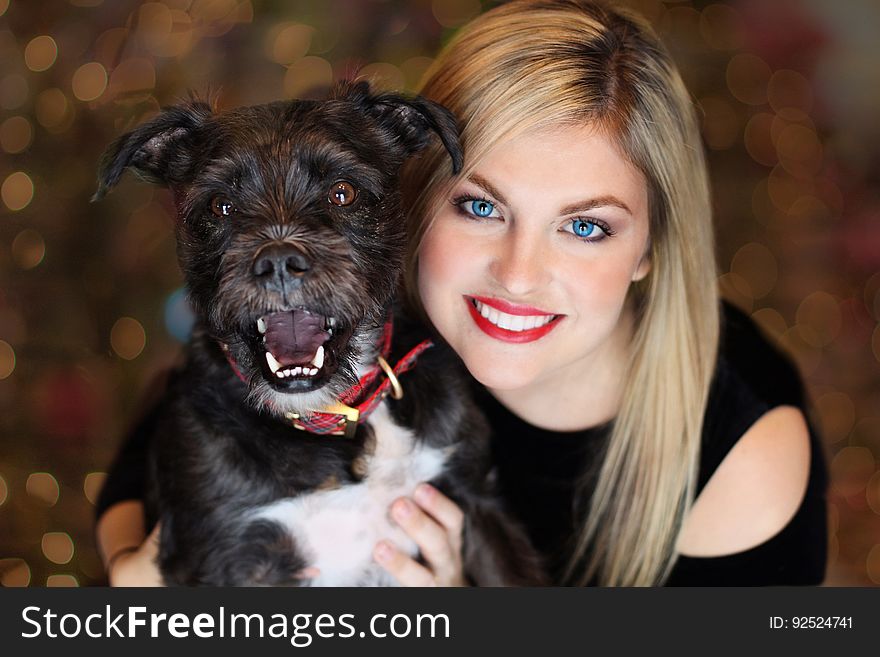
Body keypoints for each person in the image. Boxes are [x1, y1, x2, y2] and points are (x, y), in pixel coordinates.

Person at [96, 0, 828, 587]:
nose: (515, 273)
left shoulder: (740, 452)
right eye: (480, 206)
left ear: (651, 247)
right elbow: (165, 444)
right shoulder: (370, 308)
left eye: (585, 225)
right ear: (416, 198)